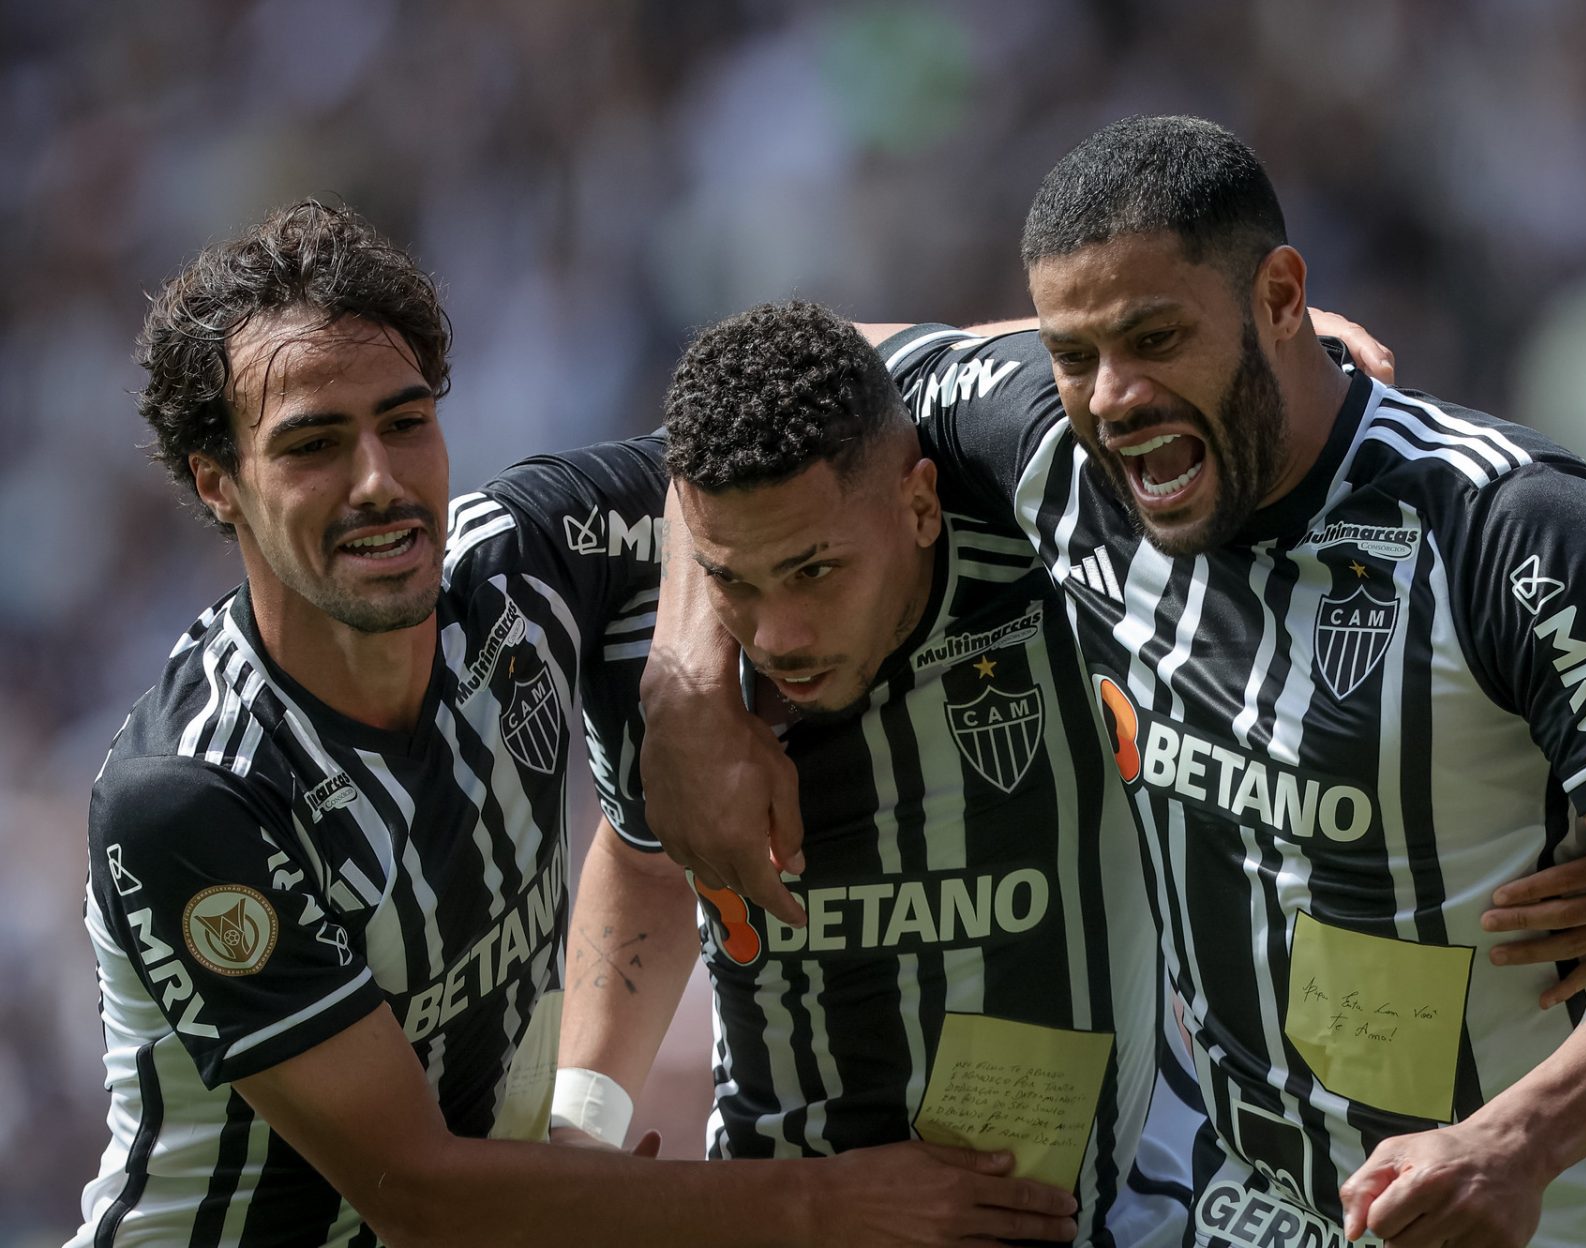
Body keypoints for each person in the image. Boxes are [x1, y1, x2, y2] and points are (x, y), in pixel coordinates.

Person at [637, 116, 1586, 1247]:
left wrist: (1515, 1138)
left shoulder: (1517, 529)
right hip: (1285, 1212)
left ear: (1282, 299)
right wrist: (686, 674)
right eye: (1074, 351)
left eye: (1155, 337)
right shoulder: (1062, 463)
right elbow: (801, 373)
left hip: (1570, 1210)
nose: (1111, 395)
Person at [69, 200, 1080, 1247]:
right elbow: (422, 1196)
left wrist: (685, 678)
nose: (380, 480)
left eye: (406, 421)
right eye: (314, 445)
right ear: (218, 482)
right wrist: (831, 1203)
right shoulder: (190, 792)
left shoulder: (523, 565)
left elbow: (806, 387)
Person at [558, 299, 1197, 1246]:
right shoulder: (656, 672)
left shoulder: (1044, 565)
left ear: (920, 504)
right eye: (734, 581)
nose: (779, 637)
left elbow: (873, 344)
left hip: (1108, 1218)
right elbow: (650, 859)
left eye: (815, 571)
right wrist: (584, 1123)